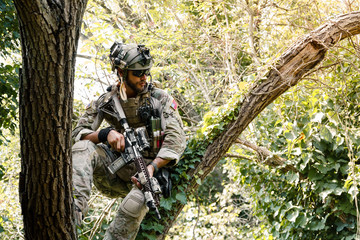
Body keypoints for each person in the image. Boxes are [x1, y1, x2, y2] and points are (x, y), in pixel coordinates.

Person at [72, 42, 186, 239]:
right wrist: (104, 134)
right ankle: (71, 213)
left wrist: (152, 168)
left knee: (132, 207)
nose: (144, 78)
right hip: (114, 171)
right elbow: (76, 133)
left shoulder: (160, 98)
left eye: (146, 72)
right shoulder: (107, 100)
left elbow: (176, 139)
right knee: (83, 147)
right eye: (138, 73)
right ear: (121, 72)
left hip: (148, 174)